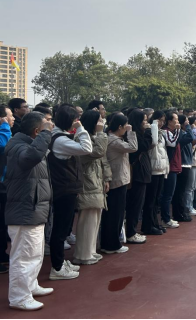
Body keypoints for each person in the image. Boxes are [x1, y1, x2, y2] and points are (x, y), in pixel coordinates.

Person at [4, 112, 54, 311]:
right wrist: (46, 134)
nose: (49, 128)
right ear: (36, 131)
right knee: (24, 256)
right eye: (45, 127)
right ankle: (19, 297)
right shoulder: (19, 147)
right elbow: (30, 157)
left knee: (34, 252)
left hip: (33, 208)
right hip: (25, 209)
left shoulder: (27, 144)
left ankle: (30, 286)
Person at [48, 105, 94, 281]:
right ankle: (57, 267)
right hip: (64, 188)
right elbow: (87, 148)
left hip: (66, 187)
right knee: (60, 230)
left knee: (63, 228)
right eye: (76, 119)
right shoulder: (60, 140)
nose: (78, 121)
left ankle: (59, 263)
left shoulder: (59, 136)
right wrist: (81, 129)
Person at [72, 110, 111, 266]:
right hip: (87, 182)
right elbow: (98, 152)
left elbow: (103, 159)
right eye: (99, 120)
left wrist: (107, 178)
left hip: (96, 181)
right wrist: (101, 134)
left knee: (95, 218)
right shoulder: (82, 138)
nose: (102, 123)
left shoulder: (93, 137)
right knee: (87, 220)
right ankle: (82, 254)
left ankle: (90, 250)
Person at [101, 114, 137, 254]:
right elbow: (133, 147)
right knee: (115, 214)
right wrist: (131, 132)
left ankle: (109, 243)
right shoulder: (114, 140)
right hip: (117, 180)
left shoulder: (112, 138)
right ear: (120, 126)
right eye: (125, 125)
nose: (127, 128)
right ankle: (112, 245)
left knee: (114, 213)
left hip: (117, 179)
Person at [125, 110, 153, 244]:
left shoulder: (137, 133)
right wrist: (148, 131)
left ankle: (132, 230)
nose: (146, 123)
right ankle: (131, 232)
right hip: (137, 173)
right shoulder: (133, 134)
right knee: (134, 204)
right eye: (144, 120)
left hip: (141, 172)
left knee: (138, 204)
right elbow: (144, 146)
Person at [142, 111, 169, 236]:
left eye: (163, 120)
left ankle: (155, 223)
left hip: (161, 168)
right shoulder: (150, 131)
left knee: (156, 199)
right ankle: (148, 225)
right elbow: (153, 143)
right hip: (153, 169)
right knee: (150, 200)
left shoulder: (161, 133)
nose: (161, 123)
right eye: (159, 120)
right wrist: (153, 126)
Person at [0, 106, 15, 274]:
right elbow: (4, 146)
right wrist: (4, 126)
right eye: (10, 116)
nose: (13, 119)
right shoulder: (3, 132)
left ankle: (2, 254)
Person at [172, 115, 196, 223]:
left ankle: (181, 212)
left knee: (182, 190)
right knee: (180, 191)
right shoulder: (180, 134)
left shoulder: (183, 133)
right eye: (186, 121)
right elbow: (191, 137)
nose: (188, 122)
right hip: (182, 164)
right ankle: (179, 213)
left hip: (187, 163)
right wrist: (189, 127)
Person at [161, 111, 182, 230]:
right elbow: (173, 143)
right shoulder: (166, 132)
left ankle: (167, 217)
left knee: (170, 194)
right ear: (169, 121)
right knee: (167, 194)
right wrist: (178, 131)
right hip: (170, 166)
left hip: (174, 165)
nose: (178, 122)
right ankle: (165, 219)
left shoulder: (173, 132)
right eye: (176, 119)